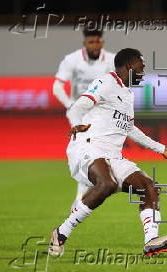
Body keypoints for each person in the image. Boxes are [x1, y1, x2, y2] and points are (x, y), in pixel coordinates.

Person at [48, 48, 167, 257]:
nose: (143, 71)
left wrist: (161, 149)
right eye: (142, 66)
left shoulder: (128, 94)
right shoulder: (105, 83)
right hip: (88, 146)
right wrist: (76, 124)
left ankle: (151, 242)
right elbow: (77, 107)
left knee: (149, 187)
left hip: (113, 155)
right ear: (129, 65)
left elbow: (129, 128)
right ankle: (61, 233)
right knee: (107, 184)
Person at [53, 28, 115, 208]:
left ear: (102, 42)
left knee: (93, 150)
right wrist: (69, 105)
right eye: (91, 42)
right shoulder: (72, 60)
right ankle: (81, 196)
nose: (95, 45)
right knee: (85, 149)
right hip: (79, 113)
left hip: (101, 113)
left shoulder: (111, 60)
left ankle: (83, 195)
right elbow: (57, 87)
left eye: (97, 41)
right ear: (84, 43)